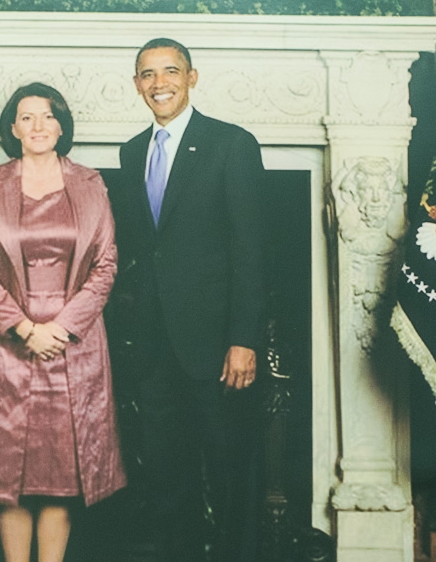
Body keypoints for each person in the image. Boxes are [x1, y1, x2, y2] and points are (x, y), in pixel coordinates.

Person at [108, 38, 265, 562]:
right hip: (155, 352)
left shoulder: (231, 145)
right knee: (168, 481)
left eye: (170, 71)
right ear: (137, 84)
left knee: (230, 476)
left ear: (192, 77)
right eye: (148, 74)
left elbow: (251, 250)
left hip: (217, 348)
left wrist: (243, 339)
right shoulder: (132, 152)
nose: (160, 84)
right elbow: (144, 251)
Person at [0, 82, 126, 562]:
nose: (38, 125)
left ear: (61, 126)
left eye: (47, 116)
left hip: (74, 341)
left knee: (61, 473)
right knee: (8, 474)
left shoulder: (91, 183)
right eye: (27, 117)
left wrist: (61, 327)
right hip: (7, 342)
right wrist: (25, 328)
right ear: (13, 128)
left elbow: (106, 265)